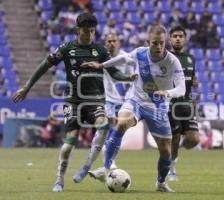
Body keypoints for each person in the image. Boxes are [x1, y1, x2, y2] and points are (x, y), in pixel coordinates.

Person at [11, 12, 134, 192]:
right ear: (77, 30)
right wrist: (26, 87)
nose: (90, 35)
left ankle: (86, 167)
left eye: (92, 31)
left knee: (104, 125)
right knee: (69, 144)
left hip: (95, 101)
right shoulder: (67, 48)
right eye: (86, 31)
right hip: (73, 102)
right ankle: (59, 179)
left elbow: (114, 73)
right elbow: (44, 65)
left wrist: (128, 78)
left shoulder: (101, 50)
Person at [80, 25, 186, 192]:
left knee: (166, 151)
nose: (158, 47)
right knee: (121, 123)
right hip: (135, 99)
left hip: (157, 107)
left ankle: (161, 183)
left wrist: (167, 92)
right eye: (154, 43)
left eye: (162, 43)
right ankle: (106, 167)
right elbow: (122, 59)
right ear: (147, 42)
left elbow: (182, 89)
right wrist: (102, 65)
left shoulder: (172, 61)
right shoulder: (139, 53)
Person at [88, 33, 134, 179]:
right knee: (105, 129)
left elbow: (131, 79)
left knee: (115, 133)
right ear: (105, 43)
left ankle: (105, 167)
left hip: (123, 101)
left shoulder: (126, 58)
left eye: (114, 41)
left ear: (119, 43)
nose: (111, 43)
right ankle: (107, 164)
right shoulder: (101, 57)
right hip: (106, 99)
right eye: (109, 41)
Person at [167, 25, 199, 181]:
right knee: (174, 137)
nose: (178, 38)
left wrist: (194, 83)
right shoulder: (165, 58)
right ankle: (171, 170)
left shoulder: (190, 58)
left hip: (187, 104)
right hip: (171, 105)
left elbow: (191, 79)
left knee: (193, 140)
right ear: (170, 39)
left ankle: (174, 150)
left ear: (185, 39)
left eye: (180, 36)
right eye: (175, 36)